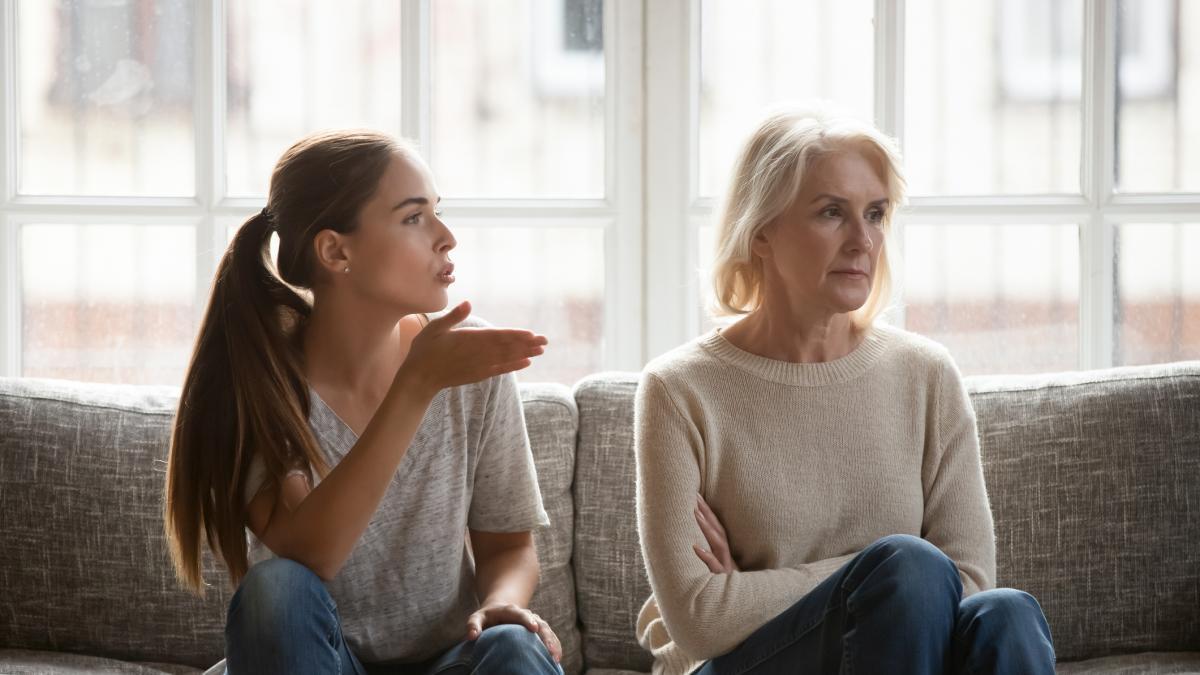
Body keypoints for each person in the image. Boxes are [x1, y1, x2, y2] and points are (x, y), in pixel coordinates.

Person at [633, 106, 1055, 675]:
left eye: (876, 214)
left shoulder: (925, 374)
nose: (863, 240)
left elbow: (971, 580)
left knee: (1006, 616)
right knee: (910, 568)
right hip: (741, 667)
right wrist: (879, 575)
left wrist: (757, 588)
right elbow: (699, 617)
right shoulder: (679, 390)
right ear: (761, 232)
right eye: (832, 212)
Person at [164, 129, 563, 675]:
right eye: (413, 218)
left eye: (437, 212)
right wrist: (415, 387)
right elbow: (311, 557)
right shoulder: (262, 384)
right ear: (335, 250)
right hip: (318, 662)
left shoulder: (471, 365)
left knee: (515, 646)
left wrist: (501, 602)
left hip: (449, 661)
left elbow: (508, 546)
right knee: (275, 588)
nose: (446, 237)